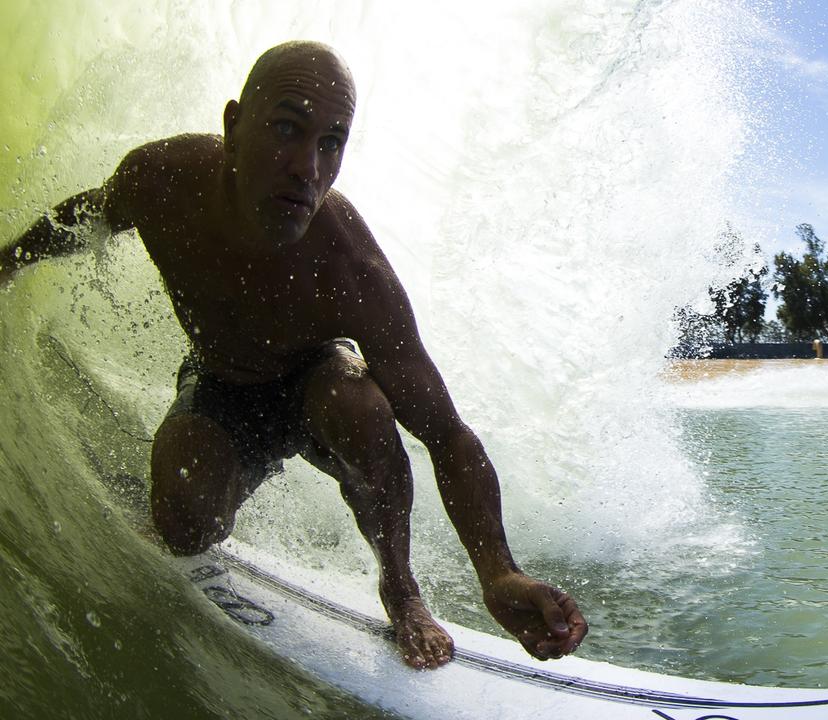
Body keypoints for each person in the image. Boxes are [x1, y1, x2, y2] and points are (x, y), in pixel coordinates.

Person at [0, 41, 586, 670]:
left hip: (318, 387)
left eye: (332, 142)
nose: (308, 166)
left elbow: (445, 433)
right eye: (286, 128)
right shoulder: (161, 180)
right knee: (181, 522)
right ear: (232, 126)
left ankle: (401, 587)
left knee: (357, 404)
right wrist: (7, 262)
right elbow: (87, 214)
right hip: (223, 384)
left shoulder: (351, 269)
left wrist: (498, 572)